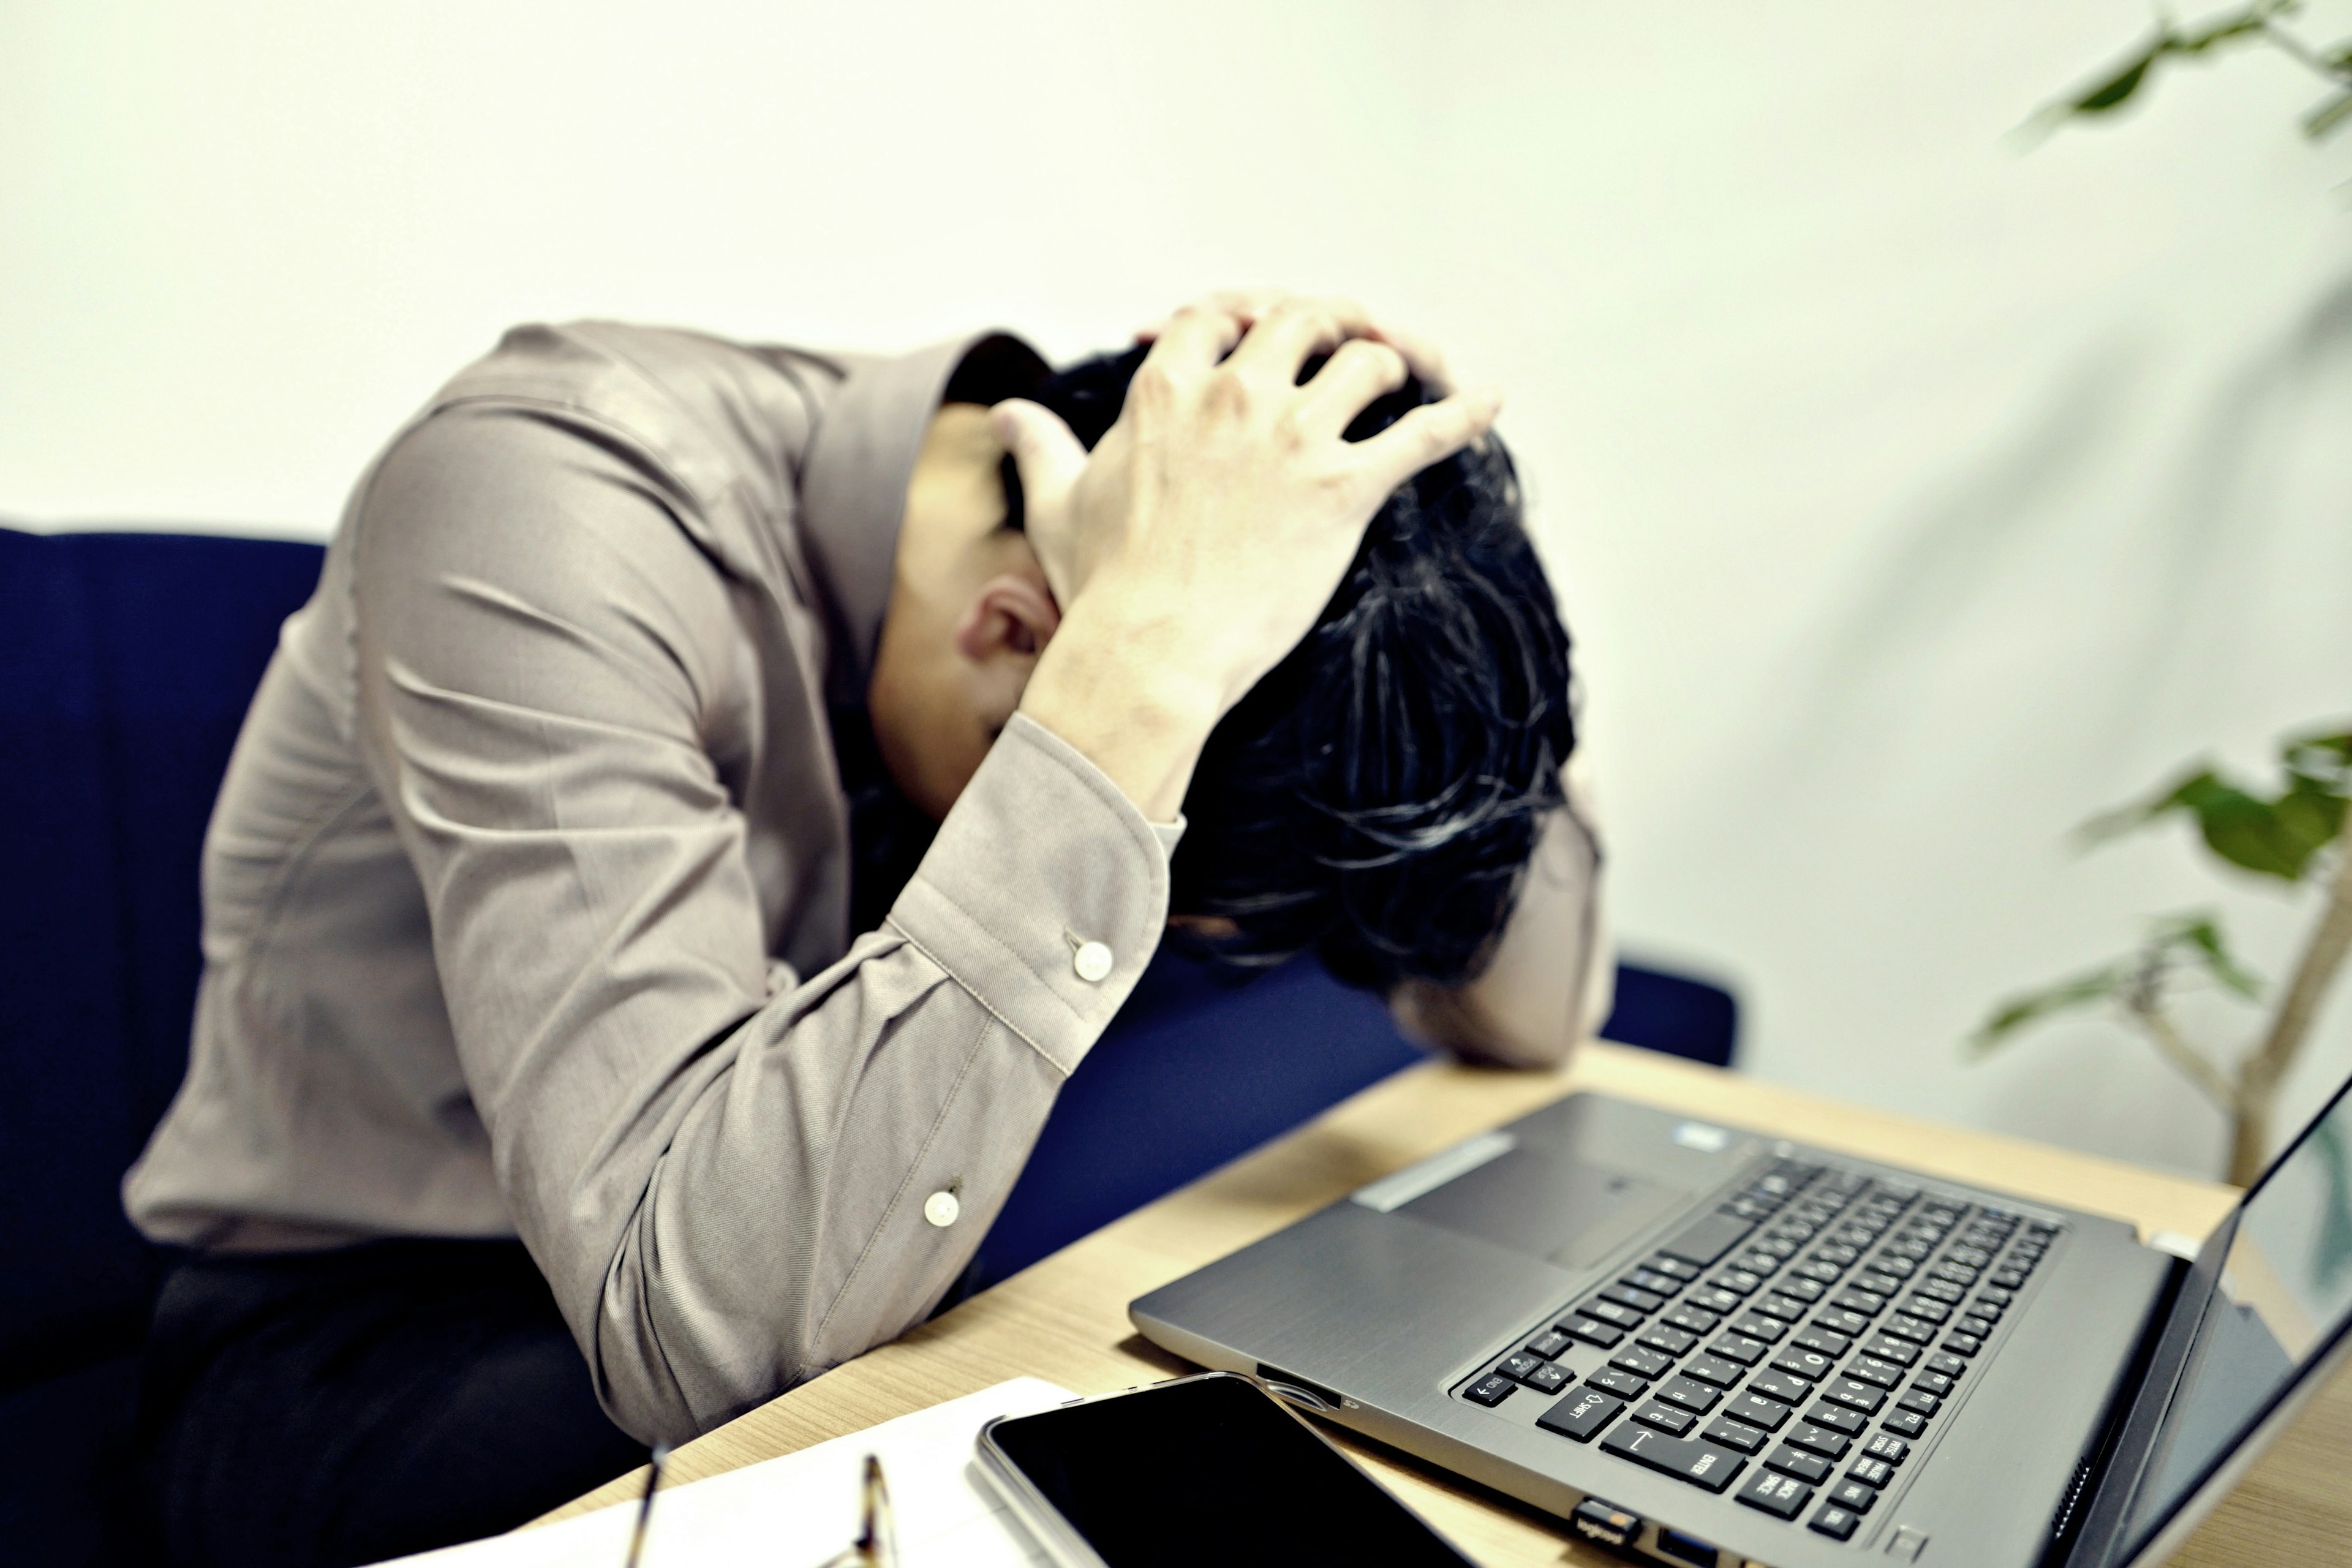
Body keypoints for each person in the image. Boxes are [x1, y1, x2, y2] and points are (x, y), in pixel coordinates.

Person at [121, 293, 1607, 1566]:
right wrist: (1133, 678)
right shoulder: (540, 497)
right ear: (1017, 626)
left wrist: (1461, 597)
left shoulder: (1111, 526)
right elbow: (694, 1336)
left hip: (815, 1241)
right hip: (357, 1340)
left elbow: (1536, 1012)